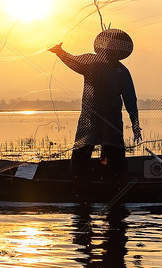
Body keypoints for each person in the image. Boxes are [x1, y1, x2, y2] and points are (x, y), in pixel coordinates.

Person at [49, 29, 141, 177]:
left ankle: (105, 183)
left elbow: (131, 99)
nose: (110, 51)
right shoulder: (94, 63)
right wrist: (60, 52)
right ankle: (84, 183)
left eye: (113, 49)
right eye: (109, 47)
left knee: (112, 154)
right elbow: (73, 61)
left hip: (110, 119)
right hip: (92, 118)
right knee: (84, 152)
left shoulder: (120, 71)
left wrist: (135, 124)